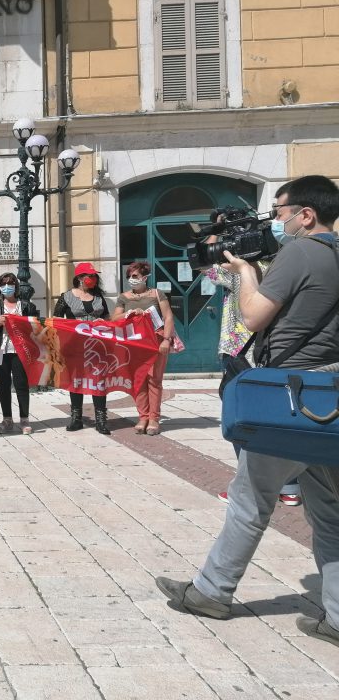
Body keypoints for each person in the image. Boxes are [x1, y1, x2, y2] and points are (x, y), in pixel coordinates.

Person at [156, 175, 339, 649]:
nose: (274, 220)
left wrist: (245, 271)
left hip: (291, 395)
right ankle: (337, 616)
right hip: (330, 396)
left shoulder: (301, 251)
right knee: (332, 512)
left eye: (279, 211)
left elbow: (253, 316)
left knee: (250, 499)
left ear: (306, 214)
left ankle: (210, 593)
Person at [205, 256, 301, 506]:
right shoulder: (283, 268)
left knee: (243, 420)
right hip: (277, 351)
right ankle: (289, 487)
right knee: (280, 417)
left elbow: (204, 266)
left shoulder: (237, 272)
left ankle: (248, 489)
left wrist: (215, 233)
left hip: (240, 352)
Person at [112, 261, 176, 436]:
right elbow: (114, 319)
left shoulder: (157, 294)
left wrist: (166, 340)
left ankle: (154, 418)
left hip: (156, 342)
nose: (131, 279)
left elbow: (168, 317)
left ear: (144, 277)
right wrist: (128, 314)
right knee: (138, 381)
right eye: (129, 277)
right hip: (133, 345)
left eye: (135, 276)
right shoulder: (124, 297)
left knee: (154, 380)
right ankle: (143, 416)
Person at [53, 262, 112, 435]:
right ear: (79, 278)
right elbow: (57, 320)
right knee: (76, 380)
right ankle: (76, 418)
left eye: (94, 276)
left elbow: (108, 318)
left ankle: (101, 420)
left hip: (98, 345)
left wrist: (104, 322)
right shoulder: (66, 297)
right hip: (74, 345)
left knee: (99, 380)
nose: (92, 279)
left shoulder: (99, 297)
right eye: (89, 275)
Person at [0, 273, 40, 434]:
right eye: (3, 284)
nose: (7, 286)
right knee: (3, 385)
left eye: (10, 283)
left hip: (20, 349)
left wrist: (23, 323)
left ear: (16, 286)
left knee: (21, 384)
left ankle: (24, 419)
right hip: (0, 349)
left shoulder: (26, 305)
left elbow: (36, 327)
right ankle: (7, 419)